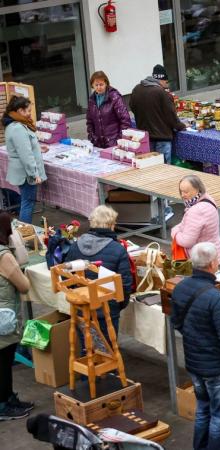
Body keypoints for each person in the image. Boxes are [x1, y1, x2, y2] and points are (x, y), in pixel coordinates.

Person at [171, 243, 220, 450]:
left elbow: (176, 322)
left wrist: (197, 340)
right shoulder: (216, 298)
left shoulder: (181, 288)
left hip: (194, 363)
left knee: (203, 409)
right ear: (213, 264)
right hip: (216, 367)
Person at [64, 205, 134, 340]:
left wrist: (78, 295)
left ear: (92, 223)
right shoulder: (118, 249)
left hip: (81, 305)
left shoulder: (75, 245)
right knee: (107, 346)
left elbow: (66, 276)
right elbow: (125, 284)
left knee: (86, 343)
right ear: (111, 225)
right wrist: (118, 305)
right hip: (107, 308)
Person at [0, 211, 33, 421]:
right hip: (3, 317)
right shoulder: (3, 256)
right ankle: (3, 405)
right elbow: (24, 286)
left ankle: (7, 397)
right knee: (3, 361)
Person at [2, 96, 46, 224]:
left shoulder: (15, 124)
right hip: (26, 174)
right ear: (20, 110)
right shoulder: (18, 128)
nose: (30, 113)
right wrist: (34, 174)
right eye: (28, 111)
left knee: (26, 202)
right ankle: (24, 231)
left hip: (23, 172)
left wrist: (38, 148)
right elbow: (25, 155)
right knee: (28, 203)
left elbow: (24, 147)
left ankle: (24, 231)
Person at [129, 64, 186, 164]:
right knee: (164, 168)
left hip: (145, 137)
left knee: (149, 166)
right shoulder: (162, 93)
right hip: (162, 138)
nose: (167, 85)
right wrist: (182, 126)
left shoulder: (137, 89)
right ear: (162, 80)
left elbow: (132, 106)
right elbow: (171, 117)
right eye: (167, 82)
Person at [171, 175, 220, 265]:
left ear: (197, 189)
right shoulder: (208, 199)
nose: (182, 195)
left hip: (202, 260)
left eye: (186, 192)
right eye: (181, 191)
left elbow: (186, 241)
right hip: (214, 253)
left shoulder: (196, 211)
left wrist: (175, 232)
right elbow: (189, 223)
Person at [86, 71, 131, 149]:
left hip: (114, 143)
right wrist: (92, 137)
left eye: (101, 84)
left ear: (106, 84)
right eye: (96, 85)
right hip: (98, 144)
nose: (99, 87)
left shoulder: (114, 97)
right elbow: (89, 122)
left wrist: (119, 140)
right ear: (92, 85)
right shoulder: (92, 100)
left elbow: (125, 120)